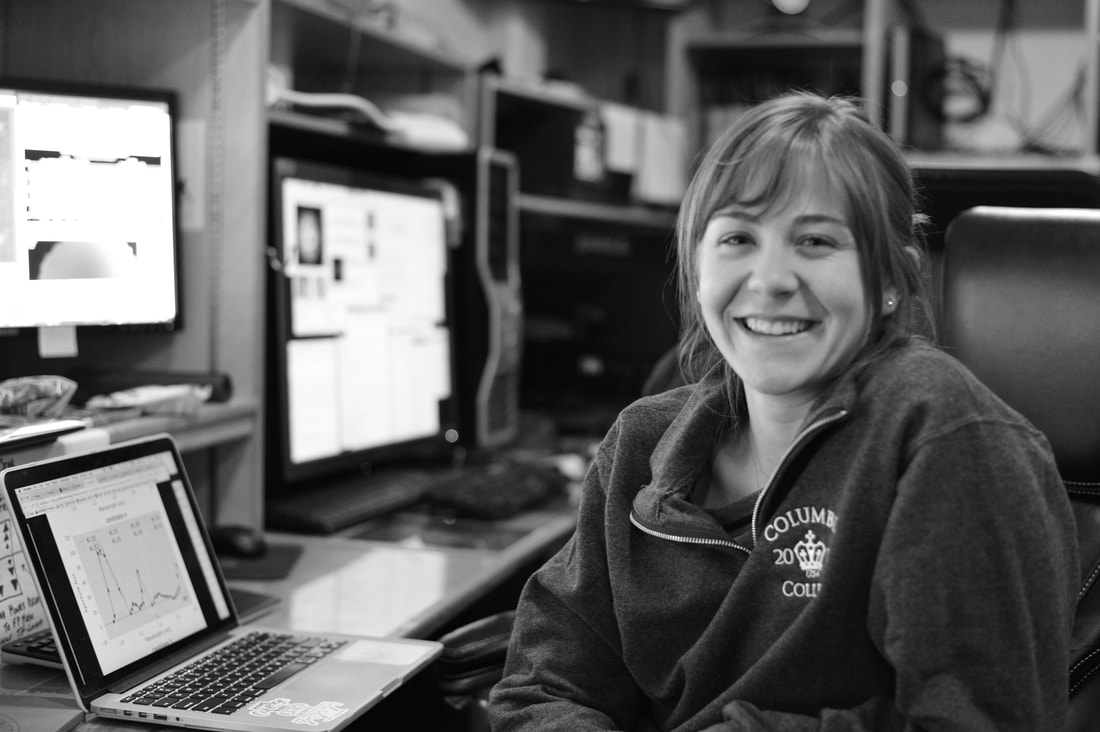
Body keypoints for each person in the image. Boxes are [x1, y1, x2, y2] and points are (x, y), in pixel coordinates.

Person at [489, 91, 1078, 730]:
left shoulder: (947, 438)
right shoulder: (642, 443)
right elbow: (543, 683)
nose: (770, 279)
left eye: (816, 241)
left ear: (888, 281)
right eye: (739, 237)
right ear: (696, 266)